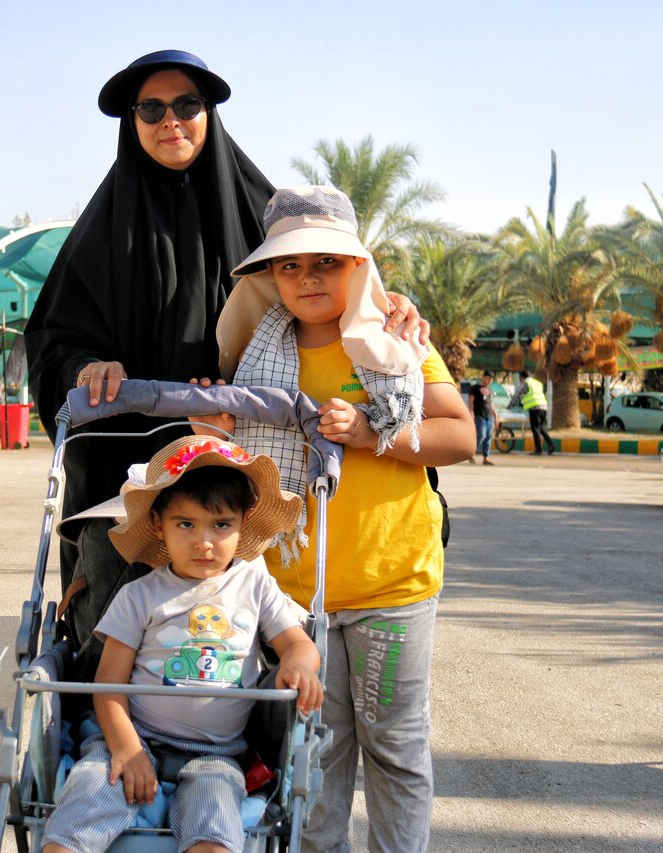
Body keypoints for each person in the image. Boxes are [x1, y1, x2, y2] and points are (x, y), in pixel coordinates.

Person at [23, 50, 428, 653]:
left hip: (241, 469)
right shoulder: (101, 233)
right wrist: (88, 365)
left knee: (233, 647)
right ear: (131, 123)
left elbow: (327, 274)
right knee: (113, 640)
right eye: (151, 109)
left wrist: (385, 301)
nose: (171, 121)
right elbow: (55, 336)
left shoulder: (259, 213)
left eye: (186, 105)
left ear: (209, 114)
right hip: (125, 473)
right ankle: (103, 737)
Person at [202, 185, 474, 852]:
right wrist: (212, 429)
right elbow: (237, 473)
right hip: (296, 600)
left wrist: (369, 435)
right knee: (314, 754)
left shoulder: (395, 344)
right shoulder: (253, 358)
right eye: (289, 265)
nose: (307, 278)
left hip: (392, 588)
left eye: (325, 261)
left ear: (357, 265)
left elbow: (459, 435)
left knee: (396, 749)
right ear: (270, 275)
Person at [41, 435, 322, 853]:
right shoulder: (140, 595)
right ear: (158, 524)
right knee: (81, 811)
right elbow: (108, 685)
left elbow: (298, 643)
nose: (203, 542)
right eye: (185, 524)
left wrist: (300, 663)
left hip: (218, 755)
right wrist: (126, 747)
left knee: (214, 833)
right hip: (136, 735)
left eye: (221, 524)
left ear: (243, 522)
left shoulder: (255, 585)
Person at [517, 370, 555, 455]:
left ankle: (538, 450)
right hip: (543, 407)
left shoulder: (525, 383)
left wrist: (509, 406)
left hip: (534, 408)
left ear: (522, 378)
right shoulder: (537, 383)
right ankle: (551, 444)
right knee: (542, 428)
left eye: (519, 378)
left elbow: (517, 395)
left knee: (535, 429)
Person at [468, 370, 498, 465]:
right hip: (479, 415)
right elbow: (471, 402)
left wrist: (496, 416)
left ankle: (486, 458)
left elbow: (491, 404)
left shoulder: (490, 391)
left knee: (488, 437)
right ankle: (471, 453)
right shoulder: (475, 388)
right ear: (483, 377)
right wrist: (471, 412)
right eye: (488, 378)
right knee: (481, 435)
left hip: (489, 416)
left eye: (491, 379)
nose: (489, 381)